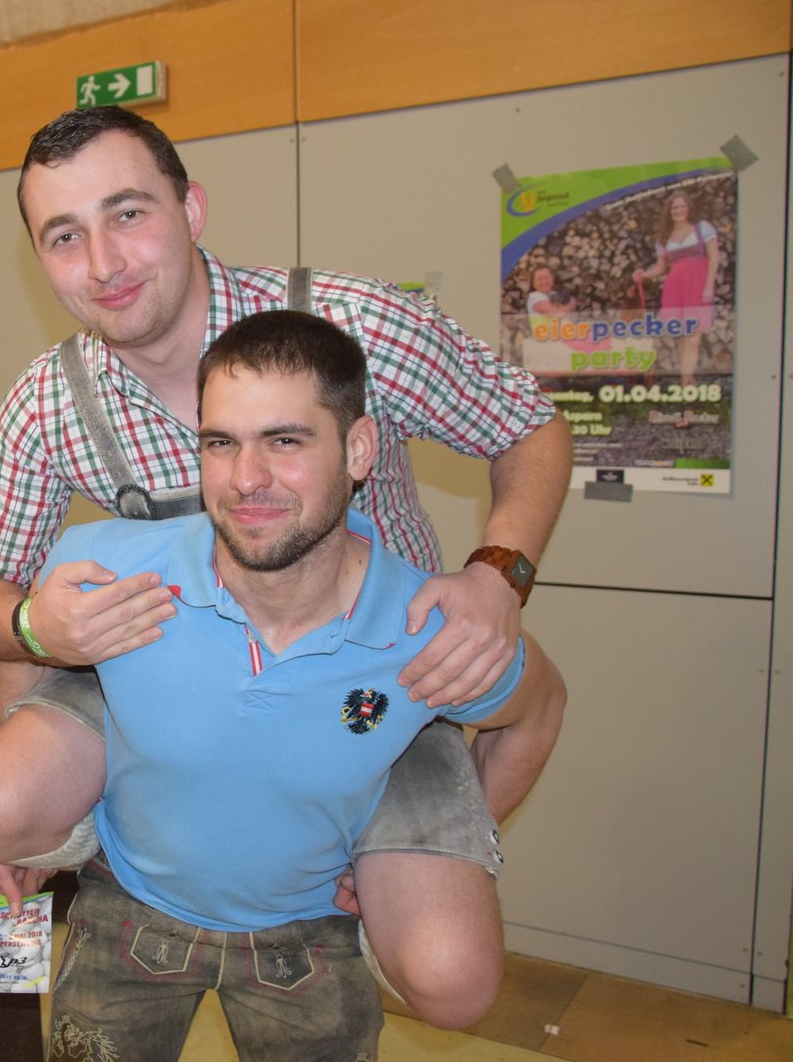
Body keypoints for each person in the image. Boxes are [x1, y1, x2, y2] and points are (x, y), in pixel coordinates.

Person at [0, 105, 572, 1027]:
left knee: (451, 975)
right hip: (156, 675)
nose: (104, 264)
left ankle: (357, 862)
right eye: (65, 236)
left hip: (374, 687)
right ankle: (103, 843)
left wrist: (495, 576)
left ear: (192, 209)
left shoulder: (354, 323)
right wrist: (38, 627)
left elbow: (529, 425)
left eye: (128, 214)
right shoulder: (47, 403)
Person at [42, 310, 566, 1059]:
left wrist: (419, 846)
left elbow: (538, 710)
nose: (246, 479)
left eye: (285, 441)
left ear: (359, 449)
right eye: (220, 443)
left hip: (313, 930)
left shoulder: (426, 631)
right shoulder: (111, 570)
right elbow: (26, 647)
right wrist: (22, 842)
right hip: (129, 901)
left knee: (454, 979)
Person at [633, 189, 719, 428]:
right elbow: (661, 267)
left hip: (697, 287)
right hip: (675, 289)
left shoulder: (703, 228)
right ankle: (688, 394)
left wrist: (709, 287)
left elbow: (714, 258)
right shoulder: (665, 236)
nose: (679, 210)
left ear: (689, 208)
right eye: (674, 207)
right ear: (669, 212)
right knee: (682, 343)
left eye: (682, 206)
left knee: (692, 342)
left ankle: (687, 404)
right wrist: (644, 274)